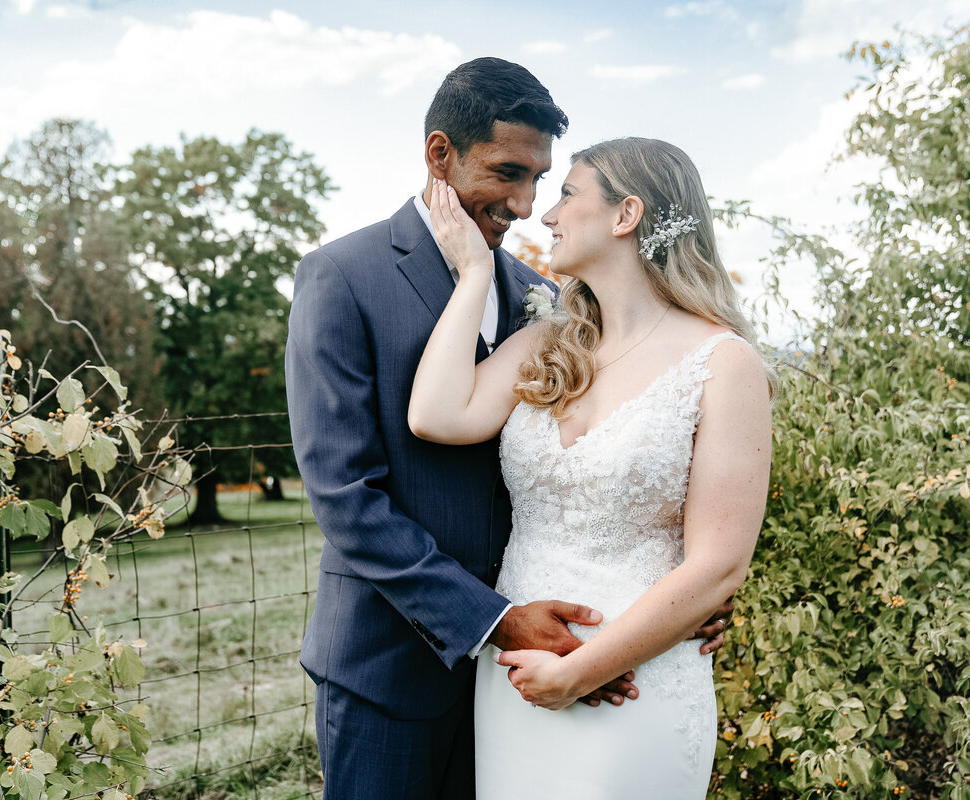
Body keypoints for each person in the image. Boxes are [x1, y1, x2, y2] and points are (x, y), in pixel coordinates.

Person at [287, 58, 730, 799]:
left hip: (540, 662)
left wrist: (671, 595)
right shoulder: (344, 276)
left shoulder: (546, 298)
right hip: (394, 663)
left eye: (542, 180)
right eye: (507, 174)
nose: (526, 205)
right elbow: (345, 497)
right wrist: (493, 621)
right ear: (440, 155)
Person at [408, 137, 774, 798]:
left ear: (625, 214)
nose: (546, 215)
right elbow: (435, 414)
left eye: (567, 195)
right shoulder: (549, 342)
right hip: (515, 681)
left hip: (634, 683)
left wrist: (579, 673)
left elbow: (719, 563)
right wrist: (473, 276)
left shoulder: (723, 362)